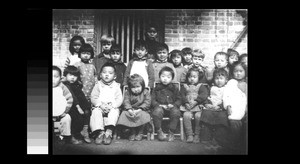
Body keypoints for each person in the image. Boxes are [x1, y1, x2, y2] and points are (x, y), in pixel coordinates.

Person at [90, 62, 123, 145]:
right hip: (100, 106)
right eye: (104, 73)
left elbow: (119, 99)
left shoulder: (116, 86)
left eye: (110, 73)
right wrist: (100, 105)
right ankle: (100, 132)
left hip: (112, 107)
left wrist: (112, 106)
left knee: (114, 112)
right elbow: (93, 97)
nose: (107, 75)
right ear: (100, 75)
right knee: (95, 112)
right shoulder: (98, 85)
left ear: (115, 76)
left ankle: (109, 131)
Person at [117, 74, 151, 141]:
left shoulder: (145, 92)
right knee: (125, 114)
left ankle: (140, 133)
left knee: (143, 115)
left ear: (142, 85)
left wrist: (140, 109)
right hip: (131, 109)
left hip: (142, 109)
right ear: (130, 87)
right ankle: (132, 132)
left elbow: (147, 102)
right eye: (133, 87)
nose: (136, 89)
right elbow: (126, 101)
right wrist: (129, 109)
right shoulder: (128, 92)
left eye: (138, 87)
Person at [200, 68, 230, 146]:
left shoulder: (227, 89)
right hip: (211, 106)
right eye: (217, 78)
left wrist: (220, 106)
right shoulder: (211, 88)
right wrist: (207, 103)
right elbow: (207, 96)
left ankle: (219, 138)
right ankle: (206, 137)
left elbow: (228, 99)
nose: (219, 80)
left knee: (222, 117)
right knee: (206, 114)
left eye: (221, 78)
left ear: (226, 80)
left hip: (221, 108)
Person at [62, 66, 92, 144]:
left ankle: (85, 130)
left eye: (75, 76)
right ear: (65, 75)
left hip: (78, 104)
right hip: (69, 105)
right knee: (75, 116)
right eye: (70, 75)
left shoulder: (77, 85)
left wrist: (86, 106)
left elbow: (81, 97)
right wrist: (78, 107)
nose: (73, 77)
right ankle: (72, 135)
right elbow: (72, 97)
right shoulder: (65, 85)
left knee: (87, 110)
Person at [151, 66, 182, 142]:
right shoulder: (157, 88)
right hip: (160, 107)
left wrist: (174, 105)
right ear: (159, 77)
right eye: (163, 76)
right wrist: (159, 105)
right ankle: (159, 131)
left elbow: (179, 99)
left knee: (176, 112)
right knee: (156, 112)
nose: (165, 79)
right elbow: (152, 100)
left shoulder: (174, 88)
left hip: (171, 107)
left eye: (168, 77)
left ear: (171, 79)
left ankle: (171, 132)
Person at [180, 67, 209, 143]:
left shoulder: (201, 86)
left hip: (197, 105)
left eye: (194, 77)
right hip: (187, 106)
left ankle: (197, 135)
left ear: (198, 78)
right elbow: (181, 95)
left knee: (198, 116)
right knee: (186, 115)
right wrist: (186, 102)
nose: (192, 79)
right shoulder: (184, 86)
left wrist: (196, 101)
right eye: (190, 77)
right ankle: (189, 135)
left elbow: (204, 95)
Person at [223, 61, 247, 150]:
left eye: (241, 71)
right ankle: (234, 145)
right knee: (234, 123)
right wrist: (228, 106)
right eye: (236, 71)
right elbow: (226, 96)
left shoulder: (246, 83)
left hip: (244, 108)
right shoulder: (231, 83)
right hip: (235, 108)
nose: (238, 73)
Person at [52, 66, 74, 144]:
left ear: (60, 78)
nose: (53, 79)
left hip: (61, 113)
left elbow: (70, 99)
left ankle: (63, 136)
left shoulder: (62, 87)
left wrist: (65, 111)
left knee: (67, 118)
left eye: (56, 77)